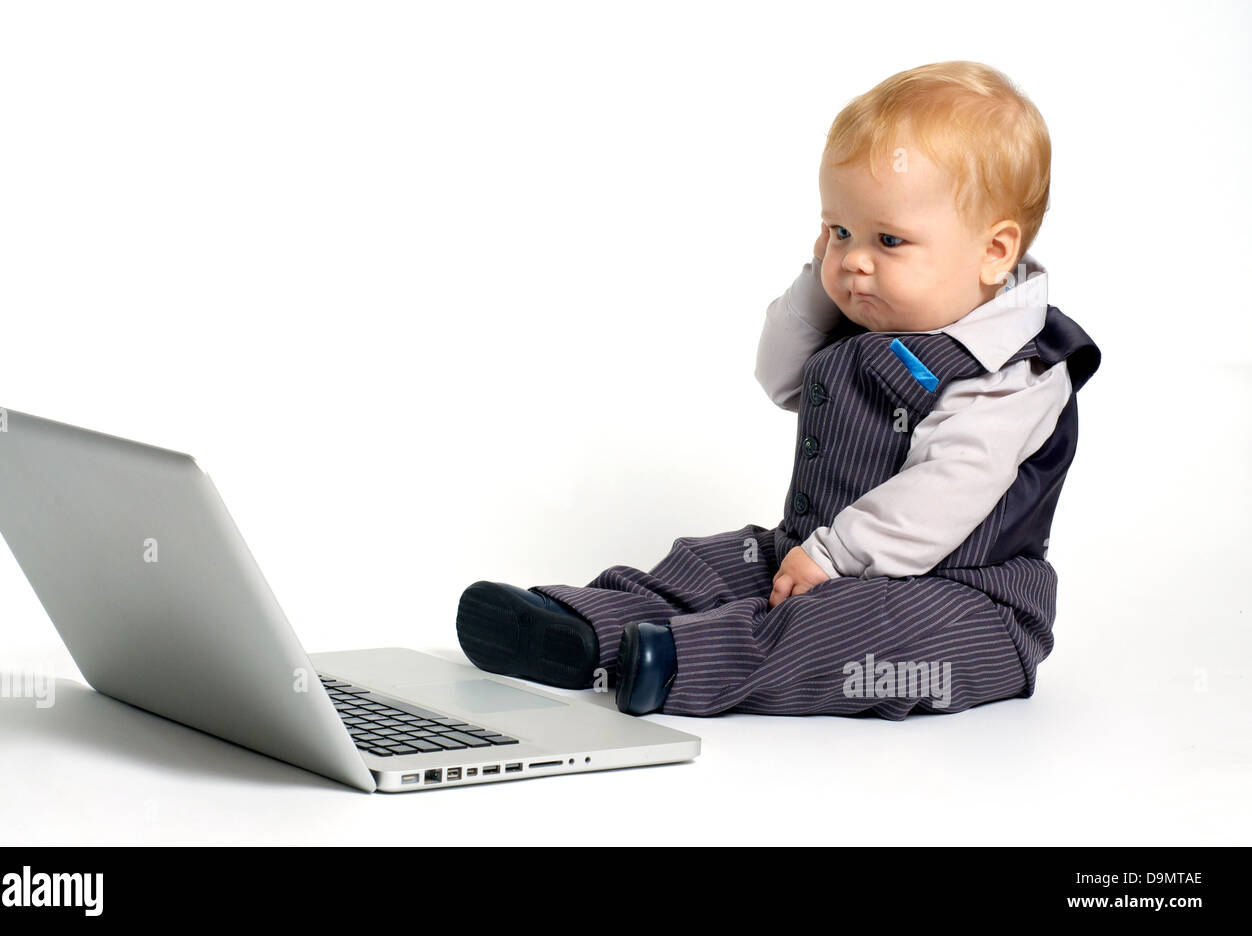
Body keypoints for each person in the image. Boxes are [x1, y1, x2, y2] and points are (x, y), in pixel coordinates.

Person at [455, 60, 1101, 719]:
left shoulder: (1014, 370)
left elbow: (941, 494)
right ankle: (587, 629)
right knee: (713, 564)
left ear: (994, 253)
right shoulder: (871, 314)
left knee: (856, 637)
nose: (854, 259)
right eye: (839, 231)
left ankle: (681, 663)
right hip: (814, 551)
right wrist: (819, 285)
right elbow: (780, 377)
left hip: (963, 603)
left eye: (888, 239)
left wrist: (834, 557)